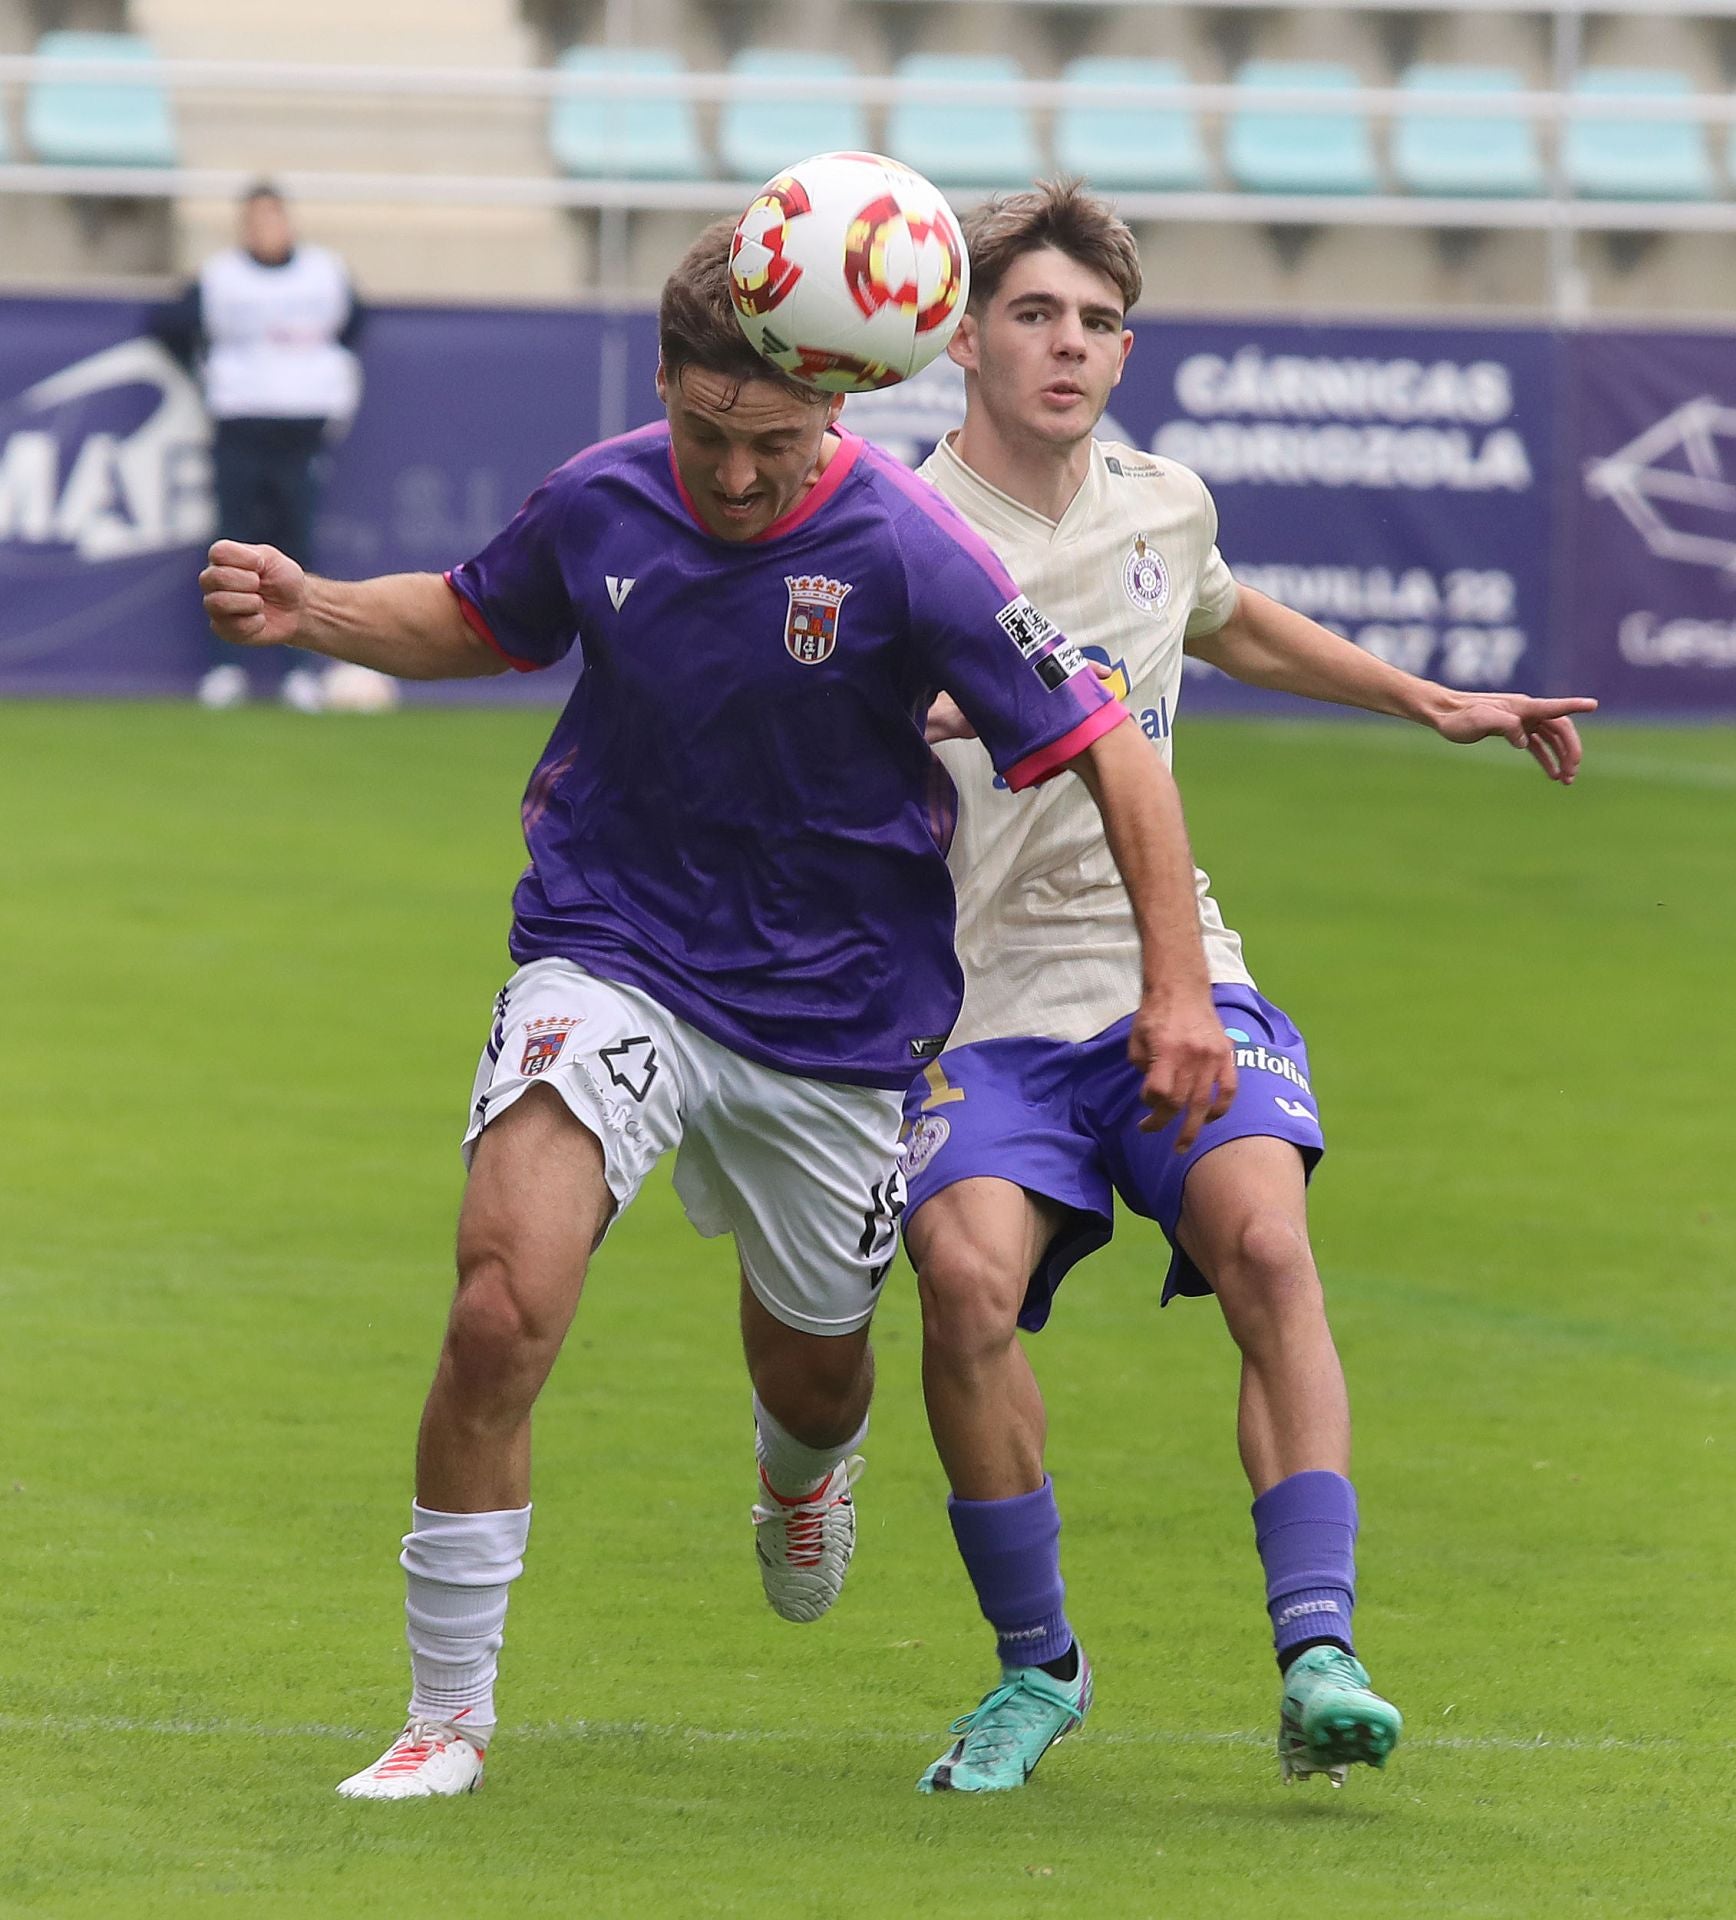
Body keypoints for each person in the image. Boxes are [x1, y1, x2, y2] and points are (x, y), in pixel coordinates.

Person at [198, 215, 1237, 1801]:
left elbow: (1115, 750)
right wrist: (316, 607)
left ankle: (801, 1473)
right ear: (665, 385)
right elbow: (487, 619)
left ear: (835, 408)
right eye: (705, 432)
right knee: (500, 1306)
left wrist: (1179, 988)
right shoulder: (602, 491)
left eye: (772, 445)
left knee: (816, 1373)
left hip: (835, 1017)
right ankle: (444, 1718)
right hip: (611, 946)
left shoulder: (908, 549)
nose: (735, 475)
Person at [904, 180, 1597, 1795]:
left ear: (1123, 353)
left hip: (1167, 968)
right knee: (961, 1292)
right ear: (960, 338)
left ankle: (1319, 1654)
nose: (1065, 346)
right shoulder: (893, 526)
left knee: (1269, 1244)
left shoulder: (1165, 505)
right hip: (972, 1000)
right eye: (1032, 316)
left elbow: (1229, 624)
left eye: (1092, 325)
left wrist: (1431, 701)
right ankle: (1037, 1671)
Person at [156, 181, 377, 713]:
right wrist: (209, 377)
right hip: (240, 427)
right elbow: (169, 326)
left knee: (295, 549)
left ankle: (298, 670)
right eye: (253, 220)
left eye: (272, 218)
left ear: (288, 221)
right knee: (230, 548)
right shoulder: (221, 278)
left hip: (300, 433)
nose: (264, 229)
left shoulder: (324, 272)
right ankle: (224, 667)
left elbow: (355, 325)